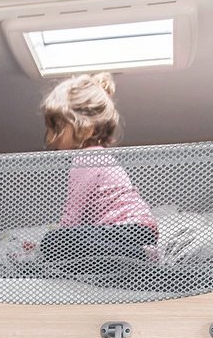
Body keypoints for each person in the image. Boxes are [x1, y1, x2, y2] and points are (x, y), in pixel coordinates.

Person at [39, 71, 157, 266]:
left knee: (53, 242)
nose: (51, 137)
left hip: (130, 230)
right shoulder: (96, 156)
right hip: (136, 231)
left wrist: (52, 245)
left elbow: (73, 217)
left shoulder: (87, 158)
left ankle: (138, 256)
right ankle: (130, 258)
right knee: (72, 251)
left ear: (86, 128)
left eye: (56, 127)